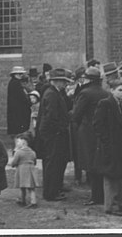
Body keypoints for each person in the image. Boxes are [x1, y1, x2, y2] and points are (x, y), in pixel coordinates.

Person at [93, 78, 122, 216]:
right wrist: (107, 143)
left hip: (121, 147)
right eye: (120, 90)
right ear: (112, 91)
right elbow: (98, 125)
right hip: (110, 147)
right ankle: (110, 207)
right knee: (111, 177)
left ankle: (120, 205)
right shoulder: (105, 104)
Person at [71, 66, 107, 206]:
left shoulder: (85, 93)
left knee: (90, 164)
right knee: (99, 164)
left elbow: (76, 114)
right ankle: (102, 195)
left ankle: (95, 196)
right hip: (101, 132)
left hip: (87, 133)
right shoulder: (105, 93)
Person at [34, 67, 72, 201]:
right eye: (63, 81)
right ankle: (50, 193)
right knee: (52, 163)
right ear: (56, 81)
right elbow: (51, 116)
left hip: (52, 134)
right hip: (52, 135)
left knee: (53, 163)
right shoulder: (51, 94)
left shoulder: (54, 93)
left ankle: (54, 189)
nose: (65, 84)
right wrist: (59, 129)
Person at [9, 132, 39, 208]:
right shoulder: (33, 152)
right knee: (31, 188)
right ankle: (33, 202)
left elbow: (14, 162)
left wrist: (13, 164)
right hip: (30, 170)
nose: (17, 144)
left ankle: (23, 200)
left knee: (22, 187)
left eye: (18, 142)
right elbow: (34, 161)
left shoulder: (18, 152)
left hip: (22, 171)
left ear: (23, 142)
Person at [7, 65, 32, 140]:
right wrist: (29, 102)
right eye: (19, 74)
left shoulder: (14, 83)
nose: (21, 76)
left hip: (17, 113)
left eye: (21, 74)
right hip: (18, 113)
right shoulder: (15, 84)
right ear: (15, 74)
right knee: (19, 133)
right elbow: (22, 98)